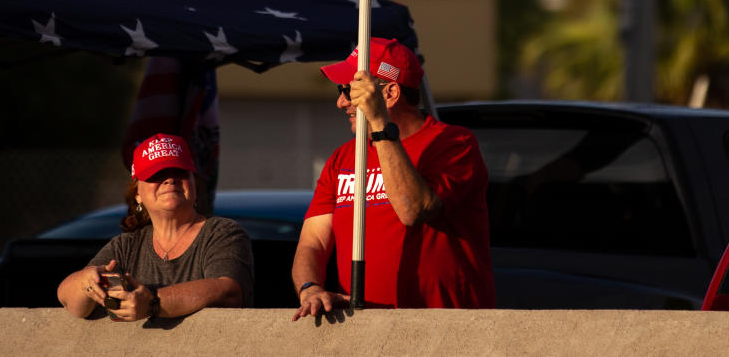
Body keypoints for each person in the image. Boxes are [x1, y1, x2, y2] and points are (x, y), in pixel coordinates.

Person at [291, 37, 495, 318]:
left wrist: (379, 125)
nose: (341, 102)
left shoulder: (454, 142)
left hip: (444, 327)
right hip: (363, 324)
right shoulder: (342, 158)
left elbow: (413, 210)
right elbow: (313, 242)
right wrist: (310, 288)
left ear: (389, 94)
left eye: (350, 91)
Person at [57, 132, 254, 321]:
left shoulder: (222, 233)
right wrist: (86, 283)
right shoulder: (126, 246)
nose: (170, 179)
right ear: (138, 195)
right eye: (157, 174)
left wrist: (152, 303)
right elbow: (68, 300)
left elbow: (228, 292)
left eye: (180, 171)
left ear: (195, 185)